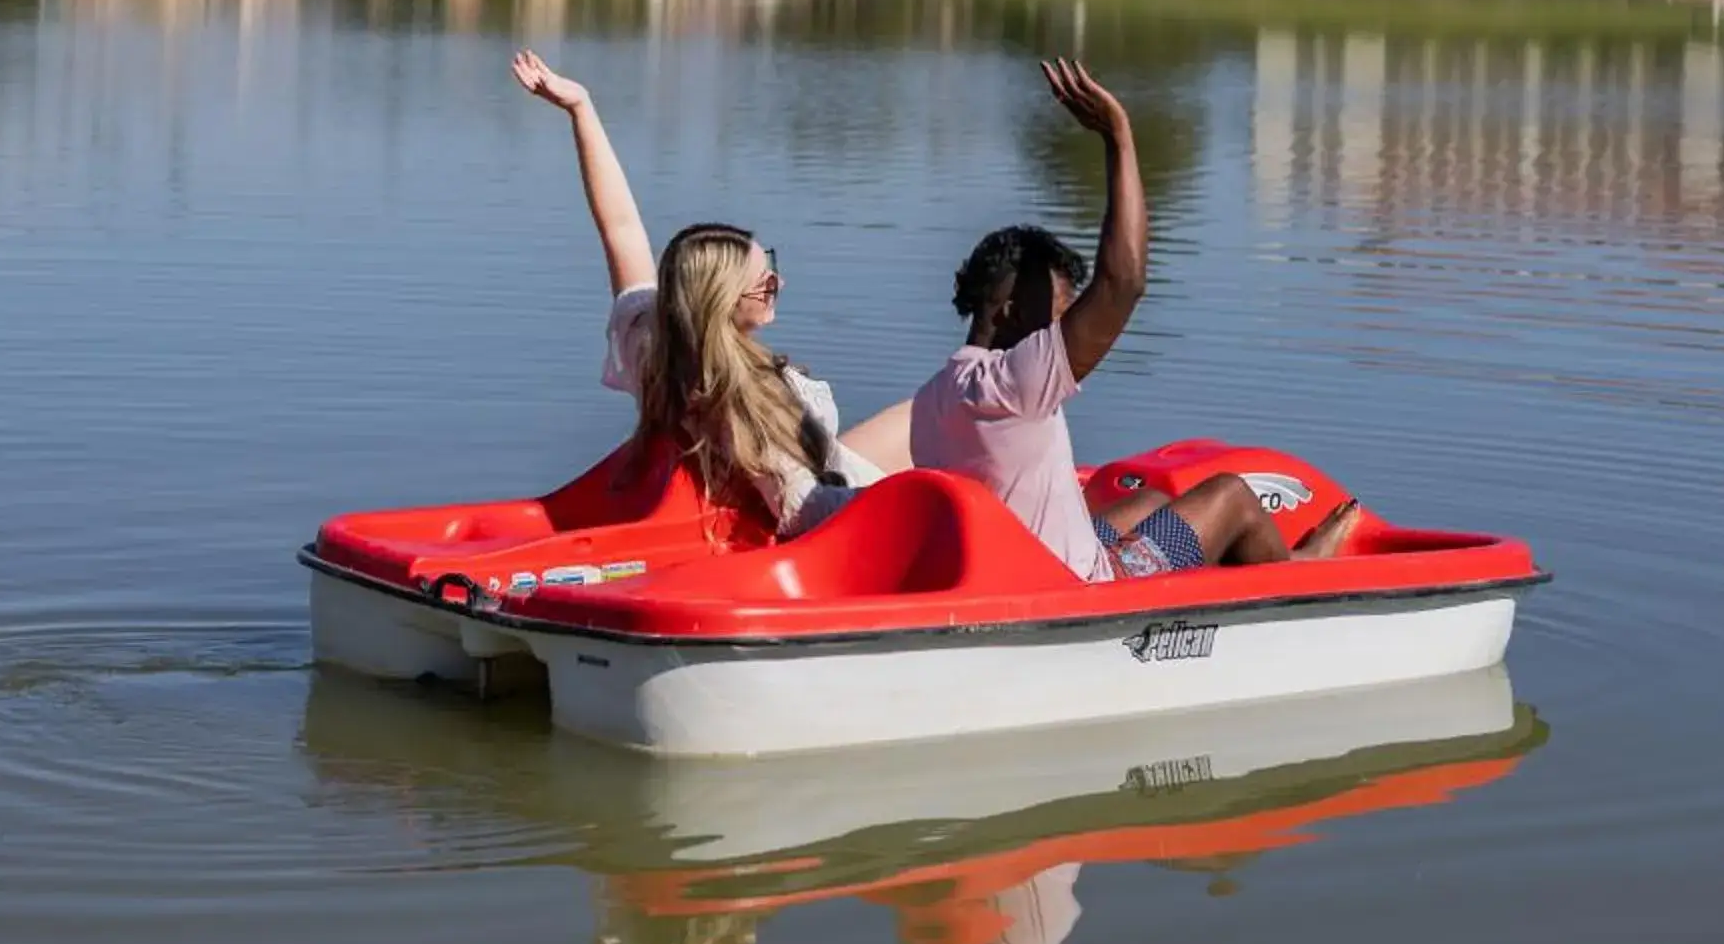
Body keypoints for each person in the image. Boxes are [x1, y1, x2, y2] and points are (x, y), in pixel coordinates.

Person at [910, 58, 1290, 580]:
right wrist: (1119, 139)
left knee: (1153, 501)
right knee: (1232, 495)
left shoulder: (934, 396)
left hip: (1019, 566)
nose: (1069, 325)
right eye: (1061, 311)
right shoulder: (1016, 384)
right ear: (1014, 312)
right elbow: (1123, 283)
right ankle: (1303, 576)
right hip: (1081, 584)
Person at [511, 49, 911, 537]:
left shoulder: (657, 343)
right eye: (765, 281)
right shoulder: (739, 397)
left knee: (931, 411)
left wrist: (582, 109)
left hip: (831, 460)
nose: (778, 284)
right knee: (951, 422)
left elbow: (620, 230)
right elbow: (803, 512)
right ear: (723, 301)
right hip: (847, 498)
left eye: (773, 269)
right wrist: (908, 503)